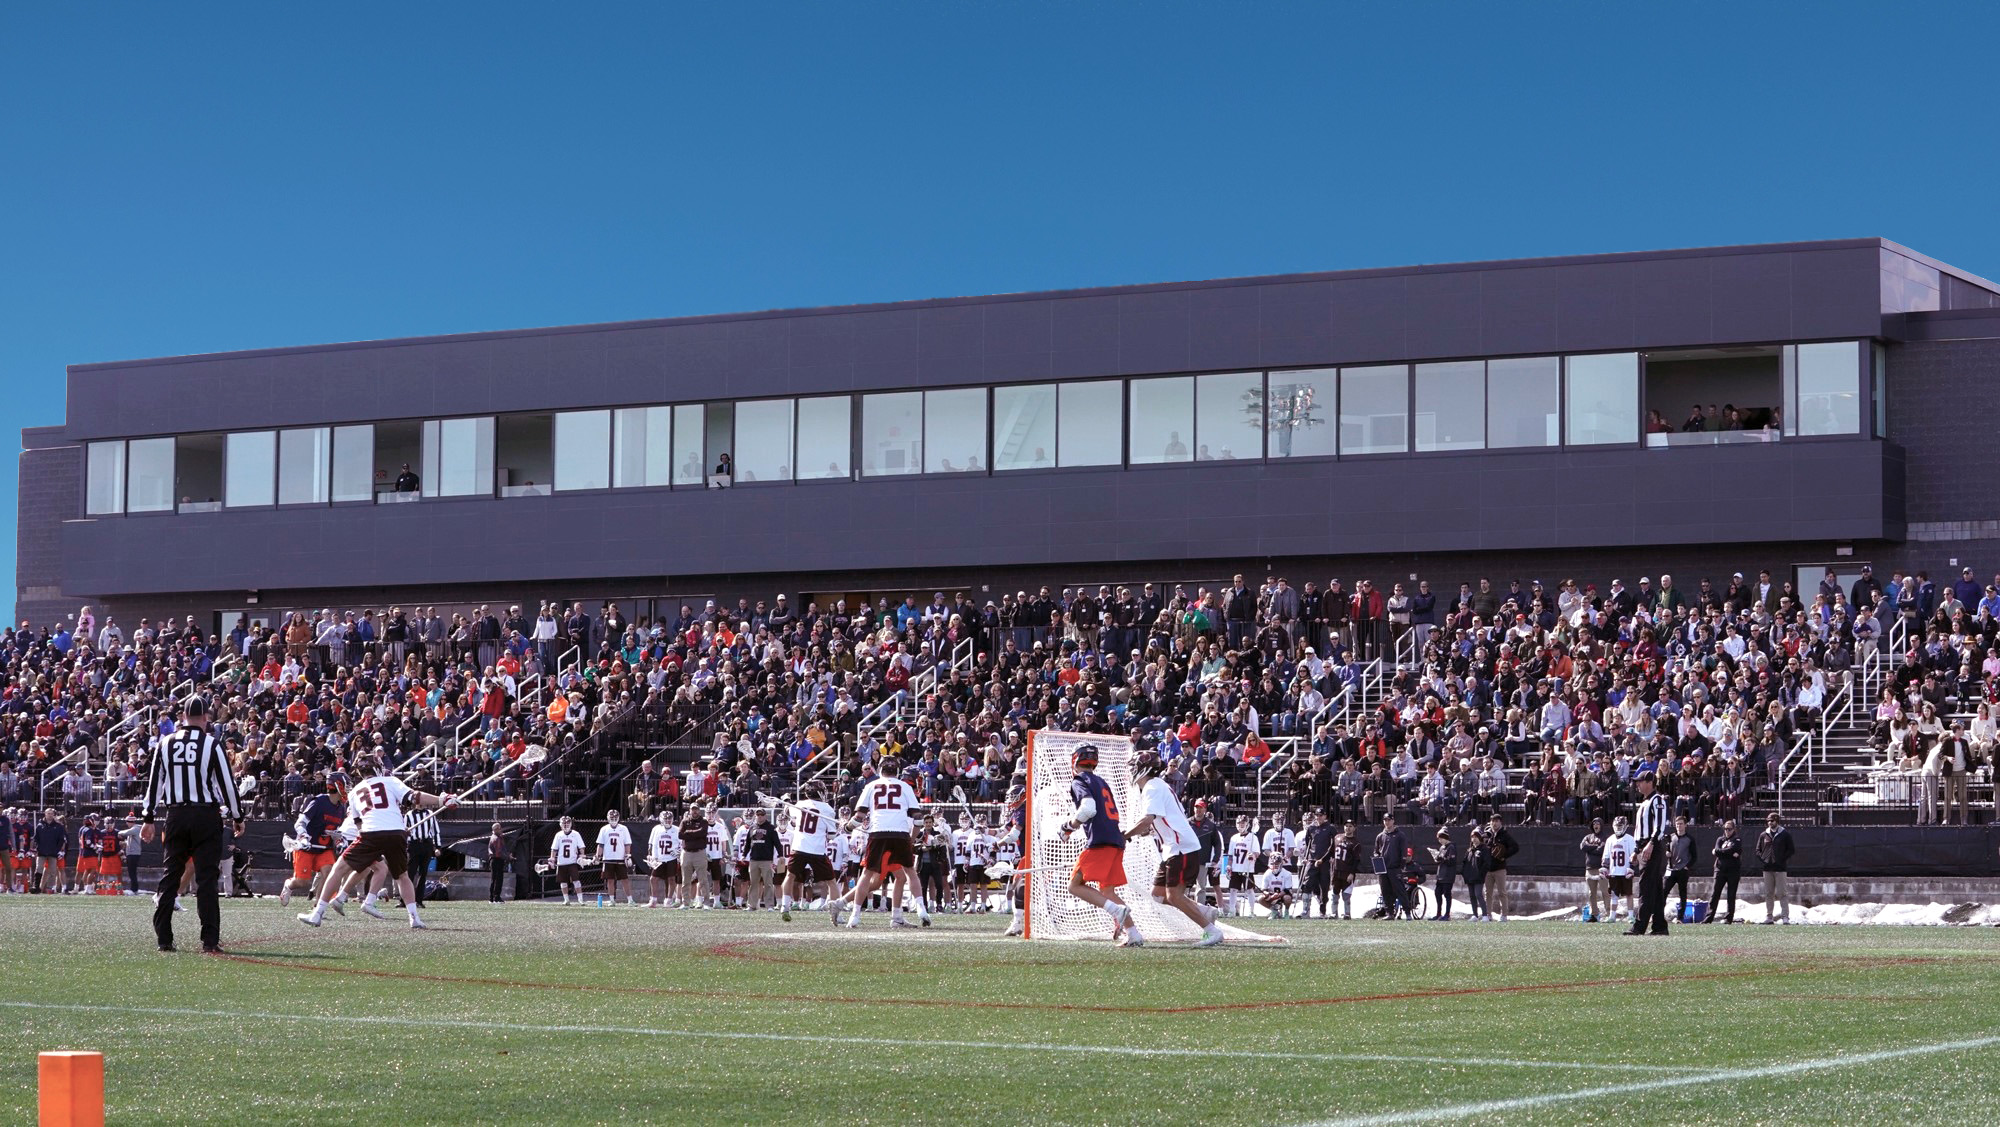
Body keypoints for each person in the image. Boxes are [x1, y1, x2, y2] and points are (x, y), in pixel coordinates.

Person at [296, 755, 455, 930]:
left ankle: (317, 913)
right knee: (402, 876)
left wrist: (366, 840)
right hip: (396, 832)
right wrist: (441, 800)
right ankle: (414, 918)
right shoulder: (389, 780)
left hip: (370, 833)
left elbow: (358, 823)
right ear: (377, 768)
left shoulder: (356, 790)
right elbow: (414, 797)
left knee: (339, 869)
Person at [142, 696, 243, 953]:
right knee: (207, 878)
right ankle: (209, 940)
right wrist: (237, 816)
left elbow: (155, 784)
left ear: (183, 716)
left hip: (175, 815)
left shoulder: (165, 743)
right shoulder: (211, 744)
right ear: (206, 717)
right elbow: (227, 785)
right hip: (205, 816)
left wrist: (148, 818)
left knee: (171, 874)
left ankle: (164, 938)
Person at [1125, 751, 1223, 945]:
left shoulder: (1152, 787)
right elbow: (1163, 818)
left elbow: (1147, 819)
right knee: (1158, 894)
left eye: (1135, 766)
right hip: (1173, 847)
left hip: (1180, 847)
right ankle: (1204, 911)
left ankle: (1211, 931)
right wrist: (1151, 832)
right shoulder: (1158, 785)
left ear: (1144, 769)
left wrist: (1125, 835)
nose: (1132, 771)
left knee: (1174, 896)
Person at [1053, 743, 1142, 945]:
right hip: (1116, 840)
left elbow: (1088, 809)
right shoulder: (1101, 781)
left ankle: (1116, 911)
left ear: (1075, 760)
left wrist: (1069, 826)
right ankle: (1134, 934)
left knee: (1074, 886)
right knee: (1108, 892)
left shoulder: (1079, 781)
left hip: (1100, 841)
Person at [835, 757, 931, 929]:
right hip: (900, 833)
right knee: (909, 872)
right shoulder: (905, 787)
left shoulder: (871, 786)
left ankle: (855, 916)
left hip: (878, 833)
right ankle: (921, 910)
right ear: (897, 771)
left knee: (867, 874)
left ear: (879, 770)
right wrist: (910, 838)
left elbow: (858, 818)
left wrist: (847, 828)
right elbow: (918, 820)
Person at [280, 781, 346, 908]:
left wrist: (338, 839)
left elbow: (337, 831)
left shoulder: (341, 808)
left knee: (330, 874)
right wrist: (304, 837)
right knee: (302, 881)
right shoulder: (319, 801)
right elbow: (300, 823)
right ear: (337, 786)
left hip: (324, 848)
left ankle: (318, 907)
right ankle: (288, 885)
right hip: (307, 846)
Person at [778, 784, 838, 922]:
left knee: (790, 875)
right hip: (817, 849)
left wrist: (786, 801)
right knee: (831, 882)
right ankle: (835, 913)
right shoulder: (827, 809)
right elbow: (832, 835)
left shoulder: (800, 804)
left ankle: (784, 906)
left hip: (799, 846)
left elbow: (788, 811)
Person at [1626, 770, 1671, 936]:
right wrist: (1636, 850)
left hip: (1653, 846)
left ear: (1650, 782)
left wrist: (1651, 844)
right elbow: (1640, 831)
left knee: (1645, 886)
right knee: (1656, 889)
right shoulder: (1645, 803)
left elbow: (1660, 826)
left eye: (1640, 781)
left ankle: (1639, 926)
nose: (1638, 784)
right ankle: (1659, 926)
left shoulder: (1657, 800)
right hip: (1646, 845)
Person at [1757, 812, 1795, 924]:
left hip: (1780, 868)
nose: (1770, 823)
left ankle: (1785, 917)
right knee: (1769, 893)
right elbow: (1757, 850)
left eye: (1772, 821)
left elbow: (1791, 850)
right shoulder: (1763, 834)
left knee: (1782, 893)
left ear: (1777, 821)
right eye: (1768, 821)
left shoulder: (1784, 834)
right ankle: (1769, 917)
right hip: (1767, 868)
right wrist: (1763, 859)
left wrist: (1781, 859)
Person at [593, 809, 635, 906]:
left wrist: (627, 855)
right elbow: (601, 844)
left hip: (620, 858)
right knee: (610, 880)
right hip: (608, 857)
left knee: (625, 879)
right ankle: (612, 900)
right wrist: (598, 856)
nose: (613, 819)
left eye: (615, 817)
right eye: (612, 818)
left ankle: (630, 900)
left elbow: (627, 843)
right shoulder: (604, 829)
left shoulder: (623, 828)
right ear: (608, 818)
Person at [1706, 819, 1743, 924]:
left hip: (1733, 871)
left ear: (1734, 829)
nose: (1727, 831)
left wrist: (1720, 852)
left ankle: (1728, 918)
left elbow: (1732, 849)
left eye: (1729, 829)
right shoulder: (1720, 839)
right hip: (1720, 869)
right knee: (1715, 894)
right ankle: (1709, 917)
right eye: (1725, 829)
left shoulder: (1737, 839)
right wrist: (1728, 852)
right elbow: (1720, 850)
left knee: (1731, 895)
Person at [1300, 809, 1335, 919]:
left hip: (1324, 862)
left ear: (1325, 816)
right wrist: (1307, 857)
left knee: (1324, 887)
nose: (1319, 817)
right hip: (1312, 861)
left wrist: (1324, 859)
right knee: (1306, 885)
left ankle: (1322, 911)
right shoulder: (1311, 828)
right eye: (1317, 815)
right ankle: (1306, 910)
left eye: (1321, 815)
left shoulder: (1330, 828)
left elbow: (1332, 846)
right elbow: (1308, 843)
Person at [1481, 814, 1516, 922]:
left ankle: (1504, 915)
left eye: (1496, 821)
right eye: (1492, 821)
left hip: (1500, 869)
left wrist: (1504, 856)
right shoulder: (1487, 835)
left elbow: (1515, 847)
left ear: (1501, 822)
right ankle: (1488, 915)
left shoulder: (1505, 835)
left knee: (1502, 892)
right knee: (1488, 893)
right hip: (1488, 869)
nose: (1494, 823)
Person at [1372, 812, 1407, 919]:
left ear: (1393, 821)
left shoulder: (1400, 835)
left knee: (1400, 890)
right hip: (1383, 868)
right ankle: (1389, 913)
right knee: (1385, 892)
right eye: (1385, 820)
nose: (1387, 822)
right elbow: (1376, 851)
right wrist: (1377, 857)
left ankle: (1408, 912)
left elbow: (1403, 852)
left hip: (1395, 868)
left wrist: (1401, 866)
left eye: (1389, 820)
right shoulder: (1380, 836)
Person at [1224, 815, 1260, 918]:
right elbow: (1231, 855)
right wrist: (1229, 866)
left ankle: (1251, 911)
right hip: (1236, 868)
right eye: (1239, 824)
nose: (1240, 826)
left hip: (1247, 868)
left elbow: (1257, 853)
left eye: (1243, 824)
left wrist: (1253, 855)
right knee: (1233, 890)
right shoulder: (1234, 838)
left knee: (1249, 890)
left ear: (1247, 825)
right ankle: (1232, 910)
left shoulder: (1253, 837)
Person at [643, 810, 681, 908]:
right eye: (666, 819)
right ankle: (653, 900)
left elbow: (682, 843)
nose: (668, 821)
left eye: (669, 819)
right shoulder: (656, 829)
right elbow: (650, 843)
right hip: (658, 858)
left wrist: (679, 851)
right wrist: (650, 855)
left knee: (672, 879)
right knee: (653, 878)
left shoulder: (677, 829)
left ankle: (668, 900)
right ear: (661, 819)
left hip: (671, 858)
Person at [1602, 817, 1636, 923]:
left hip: (1625, 871)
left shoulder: (1630, 839)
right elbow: (1606, 856)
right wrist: (1605, 867)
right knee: (1614, 895)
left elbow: (1633, 856)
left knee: (1629, 894)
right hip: (1614, 871)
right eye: (1617, 826)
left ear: (1625, 827)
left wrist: (1631, 868)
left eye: (1620, 826)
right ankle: (1612, 916)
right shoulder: (1610, 839)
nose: (1618, 828)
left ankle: (1631, 916)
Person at [548, 815, 587, 906]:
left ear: (571, 824)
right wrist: (552, 859)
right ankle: (566, 900)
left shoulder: (576, 834)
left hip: (572, 862)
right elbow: (554, 849)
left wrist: (582, 856)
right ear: (560, 825)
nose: (566, 825)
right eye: (564, 824)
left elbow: (581, 847)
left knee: (576, 880)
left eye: (567, 823)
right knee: (563, 881)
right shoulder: (558, 835)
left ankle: (580, 899)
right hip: (561, 862)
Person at [1666, 815, 1697, 922]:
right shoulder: (1670, 837)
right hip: (1671, 870)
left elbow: (1694, 856)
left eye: (1681, 824)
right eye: (1677, 824)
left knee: (1682, 894)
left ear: (1685, 825)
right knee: (1663, 892)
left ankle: (1680, 917)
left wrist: (1686, 867)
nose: (1679, 826)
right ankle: (1658, 916)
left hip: (1682, 871)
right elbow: (1667, 851)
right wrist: (1667, 854)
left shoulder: (1689, 839)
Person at [1428, 824, 1461, 920]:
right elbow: (1441, 860)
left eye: (1441, 838)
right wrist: (1437, 856)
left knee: (1447, 894)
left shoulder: (1451, 847)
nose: (1440, 840)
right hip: (1440, 875)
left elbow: (1451, 861)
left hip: (1448, 875)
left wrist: (1442, 857)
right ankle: (1438, 913)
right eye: (1439, 839)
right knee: (1437, 893)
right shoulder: (1442, 847)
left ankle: (1447, 914)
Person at [1580, 817, 1608, 923]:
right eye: (1594, 823)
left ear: (1601, 825)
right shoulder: (1588, 836)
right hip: (1590, 868)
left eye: (1598, 823)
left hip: (1601, 869)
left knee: (1605, 891)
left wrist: (1590, 848)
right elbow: (1583, 846)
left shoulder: (1605, 837)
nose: (1596, 825)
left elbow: (1602, 849)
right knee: (1592, 893)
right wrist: (1595, 846)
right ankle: (1594, 914)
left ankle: (1609, 913)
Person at [1330, 820, 1359, 920]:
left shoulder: (1356, 842)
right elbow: (1331, 851)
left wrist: (1352, 873)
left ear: (1354, 828)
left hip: (1347, 872)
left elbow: (1356, 860)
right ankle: (1334, 913)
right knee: (1334, 894)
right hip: (1336, 870)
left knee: (1346, 895)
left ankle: (1347, 913)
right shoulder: (1337, 837)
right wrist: (1323, 859)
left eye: (1350, 826)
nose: (1348, 828)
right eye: (1346, 826)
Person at [488, 822, 512, 903]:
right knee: (498, 880)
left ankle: (491, 898)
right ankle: (496, 898)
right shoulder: (497, 839)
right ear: (495, 830)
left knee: (493, 879)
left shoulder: (494, 837)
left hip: (493, 860)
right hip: (497, 860)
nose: (501, 830)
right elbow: (499, 852)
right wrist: (508, 857)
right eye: (499, 828)